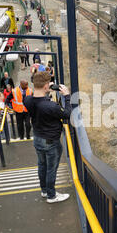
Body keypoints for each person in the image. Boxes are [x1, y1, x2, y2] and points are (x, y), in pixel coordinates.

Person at [23, 71, 72, 203]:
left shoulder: (27, 99)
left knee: (42, 166)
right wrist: (67, 96)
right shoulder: (50, 106)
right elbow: (67, 113)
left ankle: (44, 190)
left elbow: (37, 102)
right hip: (50, 141)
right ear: (46, 86)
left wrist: (45, 91)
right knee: (51, 169)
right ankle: (52, 196)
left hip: (37, 138)